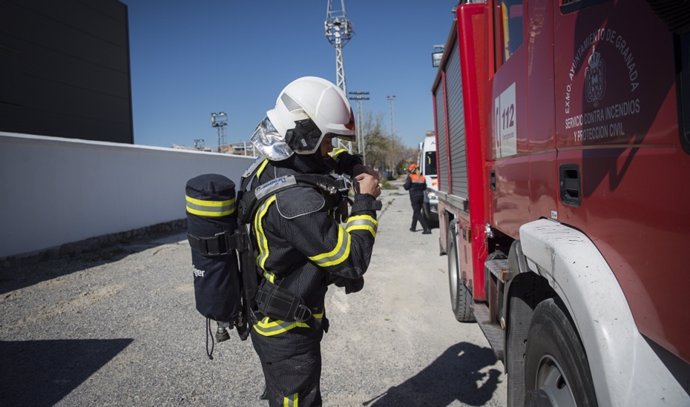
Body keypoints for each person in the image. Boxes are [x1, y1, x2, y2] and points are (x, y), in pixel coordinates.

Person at [246, 76, 381, 407]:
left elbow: (325, 160)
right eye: (327, 138)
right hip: (286, 332)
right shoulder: (296, 203)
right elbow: (351, 261)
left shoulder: (275, 163)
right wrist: (365, 202)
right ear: (304, 136)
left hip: (279, 316)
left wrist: (353, 164)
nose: (330, 147)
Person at [403, 163, 431, 234]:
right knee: (416, 211)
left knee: (417, 213)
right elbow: (424, 187)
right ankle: (413, 227)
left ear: (413, 170)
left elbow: (406, 187)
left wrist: (405, 184)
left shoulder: (411, 177)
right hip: (421, 196)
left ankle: (426, 228)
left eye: (410, 170)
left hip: (414, 197)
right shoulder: (422, 177)